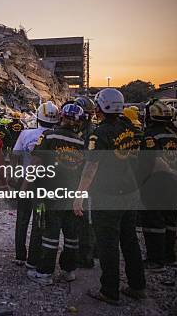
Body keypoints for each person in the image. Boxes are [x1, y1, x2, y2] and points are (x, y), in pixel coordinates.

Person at [72, 88, 146, 305]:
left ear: (101, 107)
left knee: (108, 244)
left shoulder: (99, 134)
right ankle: (138, 286)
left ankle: (109, 291)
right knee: (130, 240)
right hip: (129, 191)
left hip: (108, 195)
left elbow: (91, 167)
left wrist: (79, 195)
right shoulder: (130, 128)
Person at [27, 104, 85, 285]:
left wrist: (25, 185)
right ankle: (69, 271)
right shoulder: (81, 142)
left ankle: (45, 273)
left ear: (61, 117)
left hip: (50, 192)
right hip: (71, 194)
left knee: (50, 233)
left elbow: (35, 162)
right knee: (71, 235)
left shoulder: (49, 135)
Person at [11, 101, 60, 268]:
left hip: (26, 182)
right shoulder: (56, 137)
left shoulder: (26, 134)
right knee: (39, 221)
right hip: (45, 186)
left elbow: (15, 157)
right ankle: (35, 255)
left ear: (38, 118)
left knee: (22, 219)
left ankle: (20, 255)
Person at [138, 99, 177, 272]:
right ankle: (169, 257)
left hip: (156, 183)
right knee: (170, 220)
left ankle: (156, 260)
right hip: (175, 184)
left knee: (153, 221)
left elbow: (156, 161)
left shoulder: (150, 134)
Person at [74, 95, 98, 268]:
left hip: (86, 180)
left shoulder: (89, 134)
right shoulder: (88, 130)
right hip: (87, 179)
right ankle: (92, 250)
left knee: (86, 219)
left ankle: (86, 256)